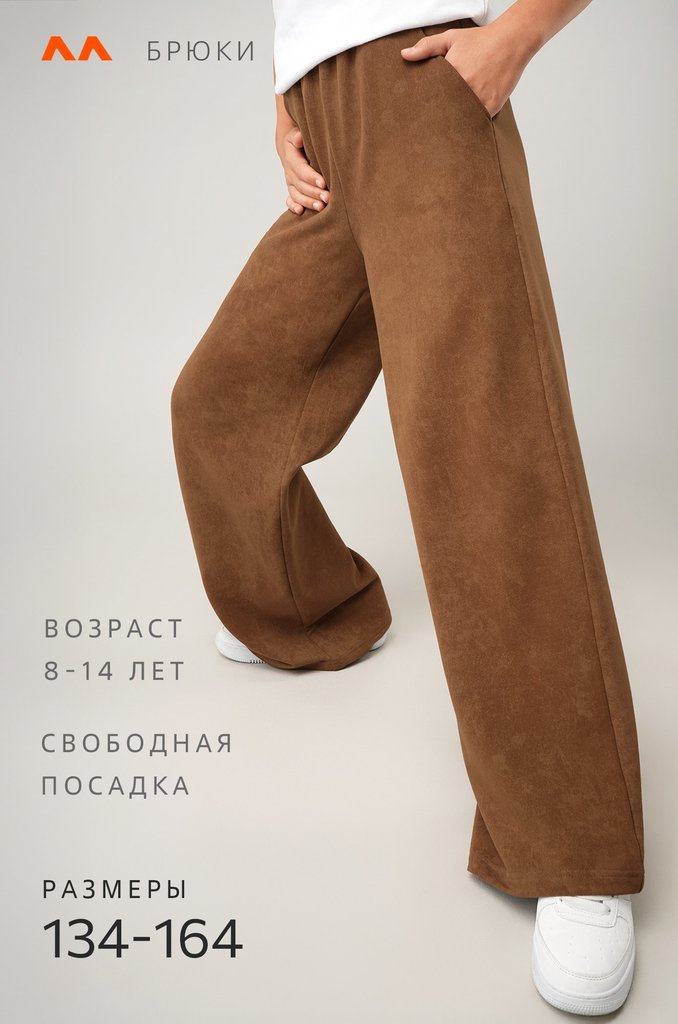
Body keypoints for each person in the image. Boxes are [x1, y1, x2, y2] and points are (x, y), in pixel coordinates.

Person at [170, 0, 645, 1014]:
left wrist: (516, 36)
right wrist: (283, 95)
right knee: (222, 403)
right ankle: (310, 607)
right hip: (324, 121)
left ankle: (575, 849)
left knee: (487, 453)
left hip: (426, 88)